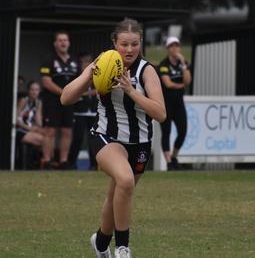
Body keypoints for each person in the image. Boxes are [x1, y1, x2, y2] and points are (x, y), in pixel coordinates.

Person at [61, 18, 166, 258]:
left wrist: (130, 91)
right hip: (106, 136)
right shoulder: (103, 63)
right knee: (126, 181)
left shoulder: (146, 71)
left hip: (140, 143)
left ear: (141, 44)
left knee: (117, 194)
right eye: (124, 44)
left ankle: (100, 242)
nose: (129, 50)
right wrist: (90, 73)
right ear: (114, 43)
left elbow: (160, 113)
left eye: (135, 44)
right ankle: (122, 248)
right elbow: (66, 98)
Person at [40, 31, 80, 169]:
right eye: (60, 40)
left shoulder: (74, 61)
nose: (63, 43)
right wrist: (65, 93)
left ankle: (63, 161)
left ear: (69, 43)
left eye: (65, 40)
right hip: (52, 101)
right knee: (50, 131)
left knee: (67, 131)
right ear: (55, 44)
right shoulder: (49, 59)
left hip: (69, 103)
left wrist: (74, 94)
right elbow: (46, 82)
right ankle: (47, 160)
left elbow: (79, 80)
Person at [158, 36, 192, 170]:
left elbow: (188, 81)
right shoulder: (164, 65)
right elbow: (168, 84)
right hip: (166, 104)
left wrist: (183, 64)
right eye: (172, 46)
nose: (175, 48)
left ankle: (174, 157)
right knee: (166, 132)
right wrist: (181, 85)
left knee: (183, 131)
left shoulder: (183, 63)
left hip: (179, 103)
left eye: (177, 45)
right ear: (167, 49)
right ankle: (168, 162)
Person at [68, 53, 99, 170]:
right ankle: (71, 163)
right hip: (79, 112)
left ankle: (94, 165)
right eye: (83, 62)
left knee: (93, 139)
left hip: (93, 111)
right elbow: (73, 92)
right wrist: (86, 93)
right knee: (78, 138)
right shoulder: (77, 76)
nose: (85, 64)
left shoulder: (98, 74)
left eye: (88, 61)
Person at [14, 81, 45, 170]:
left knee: (48, 137)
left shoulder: (38, 103)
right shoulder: (23, 101)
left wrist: (40, 128)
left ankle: (38, 163)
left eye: (37, 90)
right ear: (28, 91)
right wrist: (29, 128)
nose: (34, 92)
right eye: (32, 89)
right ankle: (35, 163)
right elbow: (15, 120)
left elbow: (39, 121)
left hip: (30, 130)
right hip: (20, 130)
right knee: (43, 141)